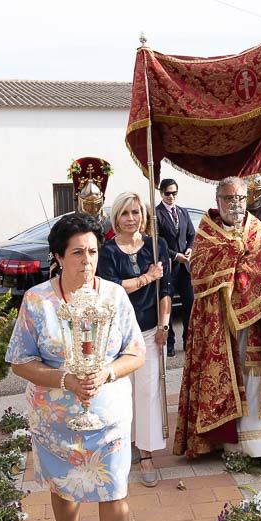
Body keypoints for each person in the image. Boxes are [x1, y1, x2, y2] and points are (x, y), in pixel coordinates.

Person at [6, 213, 145, 521]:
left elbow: (135, 352)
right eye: (77, 253)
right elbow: (19, 360)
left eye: (93, 252)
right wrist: (63, 379)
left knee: (114, 492)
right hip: (56, 420)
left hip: (108, 417)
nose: (87, 261)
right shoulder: (38, 301)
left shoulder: (115, 296)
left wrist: (108, 371)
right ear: (58, 257)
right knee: (64, 493)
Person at [173, 177, 261, 469]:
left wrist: (240, 271)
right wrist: (230, 254)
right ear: (218, 201)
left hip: (256, 323)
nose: (235, 205)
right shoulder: (206, 231)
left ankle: (260, 446)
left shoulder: (258, 231)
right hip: (218, 324)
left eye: (240, 198)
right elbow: (198, 272)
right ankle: (223, 440)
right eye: (229, 199)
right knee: (224, 380)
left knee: (255, 381)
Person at [98, 192, 172, 489]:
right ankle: (122, 446)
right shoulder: (107, 252)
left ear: (143, 215)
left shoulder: (157, 246)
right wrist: (145, 278)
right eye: (125, 213)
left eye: (136, 212)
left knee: (148, 393)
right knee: (119, 395)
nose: (131, 218)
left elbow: (165, 288)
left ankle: (146, 454)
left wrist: (165, 325)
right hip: (118, 335)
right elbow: (111, 288)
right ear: (116, 217)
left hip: (151, 329)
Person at [155, 178, 195, 358]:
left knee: (189, 303)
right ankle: (169, 343)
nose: (171, 197)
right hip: (169, 266)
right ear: (161, 193)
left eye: (174, 193)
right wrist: (174, 255)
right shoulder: (156, 214)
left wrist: (189, 249)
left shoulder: (183, 212)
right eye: (168, 193)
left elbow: (192, 234)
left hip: (185, 267)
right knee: (168, 307)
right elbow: (158, 241)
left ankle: (188, 340)